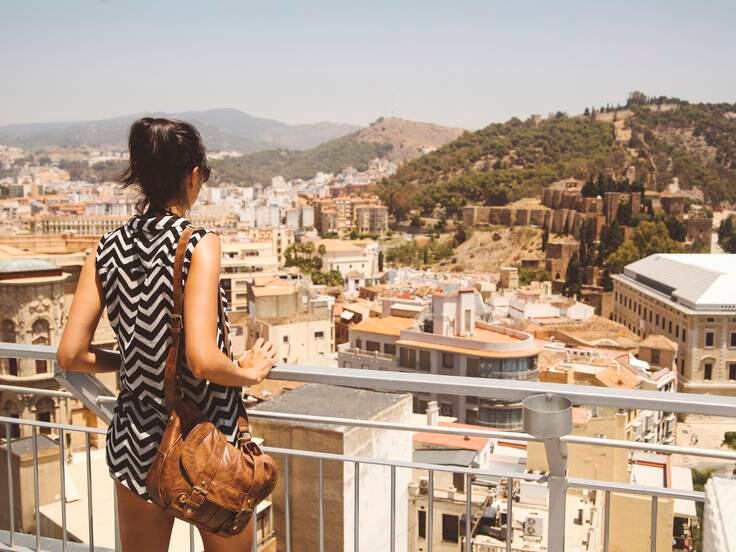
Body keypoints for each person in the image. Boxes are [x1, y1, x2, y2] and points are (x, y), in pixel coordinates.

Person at [57, 117, 279, 552]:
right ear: (193, 176)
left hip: (135, 440)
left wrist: (130, 361)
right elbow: (201, 358)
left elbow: (70, 355)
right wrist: (250, 372)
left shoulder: (104, 248)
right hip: (206, 440)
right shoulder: (198, 242)